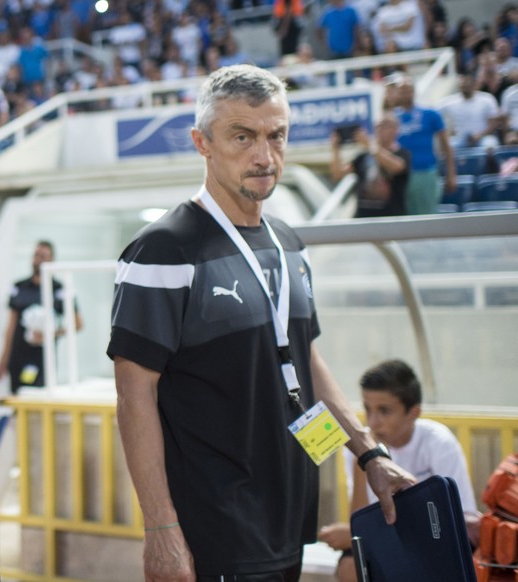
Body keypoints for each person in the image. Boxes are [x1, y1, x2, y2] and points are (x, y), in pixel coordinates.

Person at [107, 64, 417, 581]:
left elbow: (305, 362)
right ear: (202, 143)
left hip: (288, 512)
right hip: (213, 523)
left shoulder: (288, 242)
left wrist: (370, 454)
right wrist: (160, 528)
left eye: (276, 136)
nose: (263, 155)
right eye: (242, 136)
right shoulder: (163, 249)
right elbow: (134, 394)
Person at [318, 359, 480, 582]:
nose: (373, 422)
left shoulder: (438, 442)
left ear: (413, 413)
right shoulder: (361, 444)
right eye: (367, 409)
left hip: (434, 538)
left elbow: (459, 520)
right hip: (383, 538)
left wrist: (354, 534)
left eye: (385, 411)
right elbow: (360, 519)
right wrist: (363, 460)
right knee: (350, 568)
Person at [0, 241, 83, 394]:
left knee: (39, 399)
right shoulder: (19, 287)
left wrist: (50, 333)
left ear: (52, 260)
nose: (39, 259)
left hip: (43, 360)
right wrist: (3, 361)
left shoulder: (60, 289)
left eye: (43, 256)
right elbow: (11, 326)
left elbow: (78, 324)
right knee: (18, 398)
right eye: (36, 255)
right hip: (19, 356)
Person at [390, 75, 457, 215]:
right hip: (403, 176)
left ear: (414, 91)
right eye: (400, 90)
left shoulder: (430, 114)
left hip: (426, 172)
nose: (404, 93)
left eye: (407, 89)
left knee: (428, 216)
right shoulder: (392, 118)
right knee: (405, 216)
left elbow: (446, 147)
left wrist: (451, 174)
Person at [330, 114, 411, 218]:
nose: (380, 129)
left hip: (392, 218)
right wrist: (335, 149)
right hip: (364, 219)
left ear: (396, 129)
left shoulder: (402, 154)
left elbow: (397, 167)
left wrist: (370, 145)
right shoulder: (363, 156)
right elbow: (338, 174)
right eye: (377, 125)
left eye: (385, 125)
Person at [437, 73, 503, 149]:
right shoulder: (449, 102)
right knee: (448, 145)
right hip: (460, 139)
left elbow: (494, 123)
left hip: (484, 137)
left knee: (490, 145)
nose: (464, 85)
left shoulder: (487, 99)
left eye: (467, 83)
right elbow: (434, 113)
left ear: (474, 84)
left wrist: (479, 135)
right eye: (462, 84)